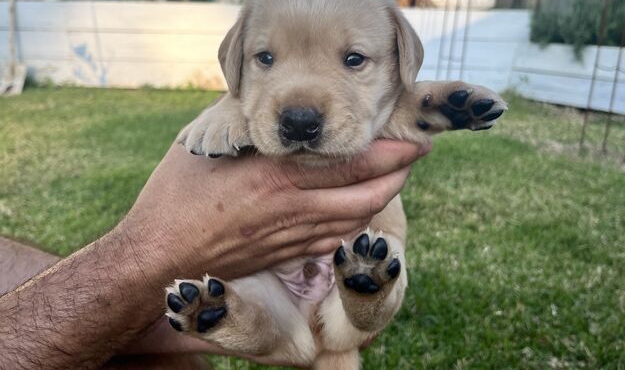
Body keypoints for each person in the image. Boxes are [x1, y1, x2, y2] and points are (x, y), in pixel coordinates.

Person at [0, 140, 429, 369]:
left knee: (385, 251)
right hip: (279, 291)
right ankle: (247, 325)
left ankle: (362, 297)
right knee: (248, 298)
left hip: (332, 295)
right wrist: (151, 252)